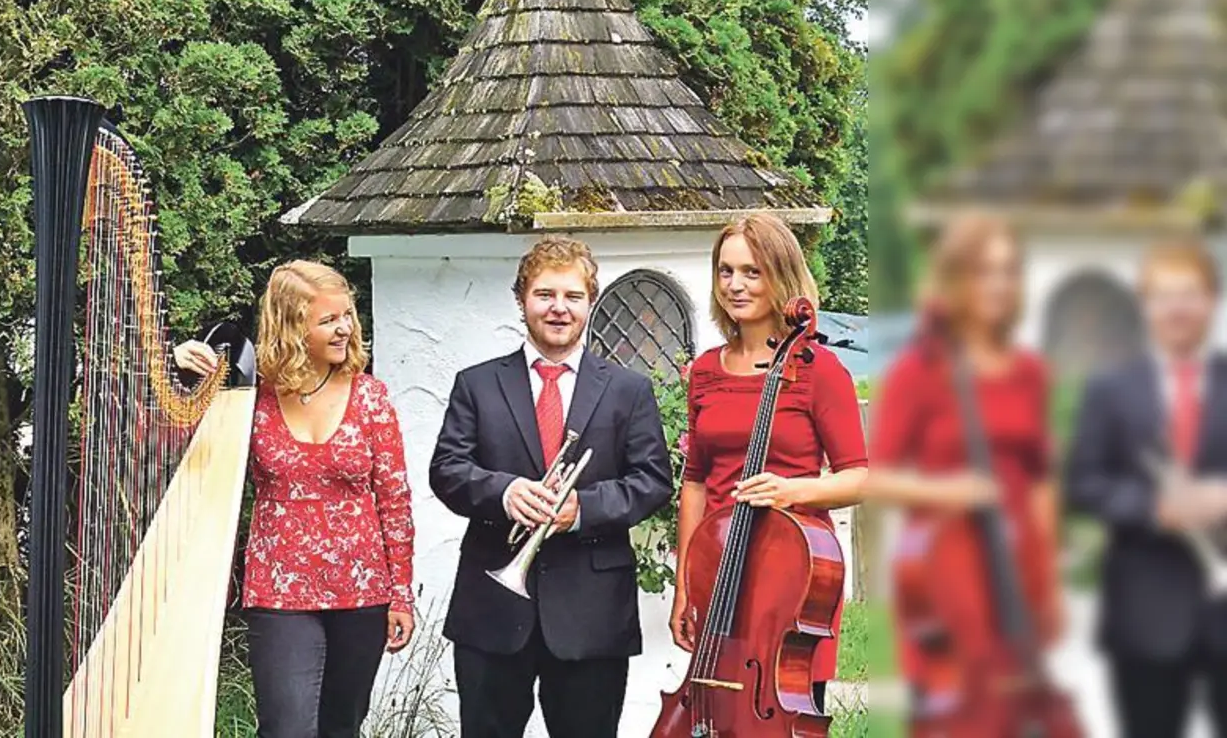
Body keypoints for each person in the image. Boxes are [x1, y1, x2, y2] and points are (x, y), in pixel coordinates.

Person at [427, 236, 674, 738]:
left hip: (592, 612)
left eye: (572, 296)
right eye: (544, 294)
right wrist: (505, 492)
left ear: (590, 302)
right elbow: (447, 469)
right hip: (493, 611)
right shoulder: (477, 384)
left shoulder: (628, 389)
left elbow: (652, 481)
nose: (558, 308)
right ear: (522, 300)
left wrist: (582, 508)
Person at [173, 260, 414, 738]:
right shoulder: (249, 397)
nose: (345, 329)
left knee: (341, 727)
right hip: (279, 589)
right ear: (291, 327)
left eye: (347, 316)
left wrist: (401, 594)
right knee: (286, 728)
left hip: (363, 590)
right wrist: (174, 367)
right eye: (328, 320)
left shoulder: (370, 396)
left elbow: (395, 500)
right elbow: (167, 439)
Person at [867, 213, 1067, 726]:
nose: (998, 284)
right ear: (955, 279)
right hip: (944, 581)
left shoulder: (1029, 371)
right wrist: (949, 493)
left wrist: (1048, 583)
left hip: (1020, 570)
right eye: (983, 271)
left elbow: (1041, 479)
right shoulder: (919, 369)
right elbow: (878, 476)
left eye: (1007, 271)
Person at [670, 213, 867, 712]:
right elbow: (695, 481)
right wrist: (684, 586)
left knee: (783, 711)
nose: (735, 285)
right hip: (718, 570)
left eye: (752, 272)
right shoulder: (705, 371)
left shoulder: (819, 370)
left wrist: (791, 490)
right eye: (726, 271)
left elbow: (860, 477)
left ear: (781, 276)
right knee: (713, 712)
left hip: (791, 577)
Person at [1064, 237, 1227, 738]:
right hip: (1144, 615)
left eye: (1190, 294)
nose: (1178, 308)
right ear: (1146, 304)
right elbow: (1082, 483)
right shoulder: (1110, 388)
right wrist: (1154, 508)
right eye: (1165, 295)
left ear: (1212, 300)